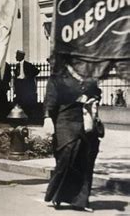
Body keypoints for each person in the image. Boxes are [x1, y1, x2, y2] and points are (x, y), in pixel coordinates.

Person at [43, 64, 102, 212]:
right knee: (67, 153)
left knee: (86, 158)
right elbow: (50, 99)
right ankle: (57, 195)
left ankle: (81, 201)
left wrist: (92, 99)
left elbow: (97, 93)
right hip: (65, 120)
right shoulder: (57, 77)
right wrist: (47, 118)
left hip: (85, 121)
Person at [13, 50, 40, 116]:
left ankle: (28, 116)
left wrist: (29, 77)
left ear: (21, 56)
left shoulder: (28, 65)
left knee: (27, 103)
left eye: (17, 55)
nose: (15, 57)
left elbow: (37, 71)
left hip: (26, 86)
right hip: (20, 86)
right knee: (20, 102)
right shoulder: (17, 66)